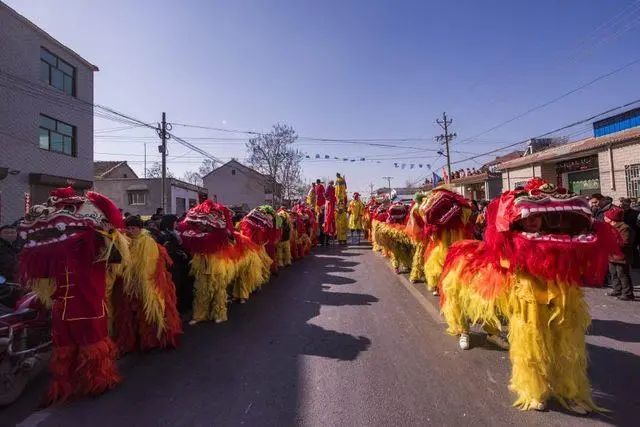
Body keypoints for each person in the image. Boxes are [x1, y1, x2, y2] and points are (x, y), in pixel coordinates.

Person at [112, 215, 182, 354]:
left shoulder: (147, 241)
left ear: (140, 228)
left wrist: (141, 283)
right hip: (130, 284)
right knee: (133, 314)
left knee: (150, 312)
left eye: (134, 228)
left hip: (147, 284)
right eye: (129, 228)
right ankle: (139, 340)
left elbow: (148, 265)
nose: (131, 231)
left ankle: (154, 339)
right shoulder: (127, 241)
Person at [157, 215, 193, 313]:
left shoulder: (173, 233)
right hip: (172, 264)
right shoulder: (164, 235)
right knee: (174, 286)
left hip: (178, 263)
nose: (176, 224)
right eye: (175, 222)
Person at [605, 207, 636, 300]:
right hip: (612, 256)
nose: (604, 218)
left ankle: (628, 293)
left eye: (606, 217)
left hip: (621, 256)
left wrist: (610, 243)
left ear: (612, 219)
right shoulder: (609, 227)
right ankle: (617, 289)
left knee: (622, 274)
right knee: (613, 273)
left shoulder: (624, 228)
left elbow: (625, 242)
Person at [620, 198, 640, 267]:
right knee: (632, 248)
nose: (624, 206)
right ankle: (634, 263)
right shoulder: (621, 213)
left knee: (633, 248)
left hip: (633, 232)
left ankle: (635, 263)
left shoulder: (635, 213)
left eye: (626, 205)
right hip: (633, 232)